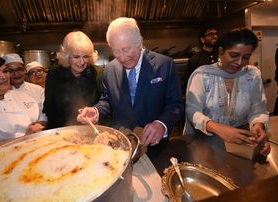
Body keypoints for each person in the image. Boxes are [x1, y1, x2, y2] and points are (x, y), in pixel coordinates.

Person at [77, 17, 183, 160]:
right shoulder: (109, 69)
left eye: (126, 49)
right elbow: (107, 101)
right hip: (120, 147)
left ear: (139, 42)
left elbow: (175, 105)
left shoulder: (165, 65)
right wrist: (96, 111)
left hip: (154, 147)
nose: (122, 57)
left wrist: (161, 125)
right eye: (116, 51)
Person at [183, 28, 270, 156]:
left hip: (239, 143)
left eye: (246, 57)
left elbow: (257, 109)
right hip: (205, 144)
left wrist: (258, 125)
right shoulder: (203, 75)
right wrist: (218, 128)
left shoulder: (252, 76)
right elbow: (192, 111)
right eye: (234, 55)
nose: (240, 62)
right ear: (221, 51)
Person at [43, 31, 103, 129]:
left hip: (90, 130)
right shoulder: (54, 73)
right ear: (67, 56)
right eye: (76, 57)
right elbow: (49, 109)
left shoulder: (98, 74)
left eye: (86, 57)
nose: (82, 62)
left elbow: (104, 105)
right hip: (61, 131)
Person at [3, 53, 46, 118]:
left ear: (25, 70)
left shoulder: (38, 89)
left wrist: (40, 123)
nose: (16, 74)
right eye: (11, 71)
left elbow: (44, 113)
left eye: (19, 69)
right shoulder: (1, 93)